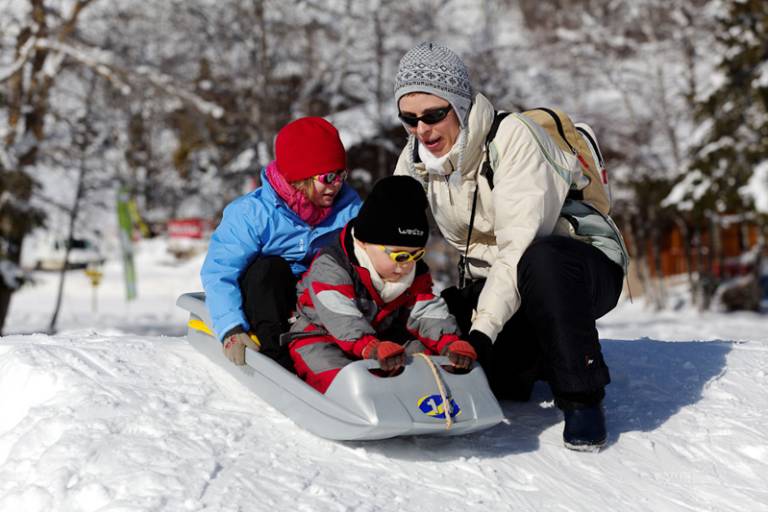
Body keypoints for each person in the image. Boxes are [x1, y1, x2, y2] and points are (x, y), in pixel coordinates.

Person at [392, 42, 629, 451]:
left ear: (460, 106)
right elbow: (385, 229)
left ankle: (582, 395)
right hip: (502, 284)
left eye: (434, 115)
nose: (423, 130)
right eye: (409, 119)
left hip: (575, 266)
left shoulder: (513, 137)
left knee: (543, 261)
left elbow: (518, 246)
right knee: (463, 348)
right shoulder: (417, 158)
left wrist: (482, 332)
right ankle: (537, 357)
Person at [287, 176, 477, 394]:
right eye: (399, 255)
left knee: (424, 362)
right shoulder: (332, 267)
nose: (407, 265)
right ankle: (363, 400)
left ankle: (440, 396)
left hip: (380, 338)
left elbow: (425, 311)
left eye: (416, 255)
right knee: (340, 377)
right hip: (320, 336)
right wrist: (371, 347)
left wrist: (449, 343)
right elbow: (341, 317)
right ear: (364, 243)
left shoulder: (413, 270)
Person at [200, 117, 361, 370]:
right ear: (300, 176)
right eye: (328, 177)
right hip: (264, 301)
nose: (337, 185)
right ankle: (277, 359)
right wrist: (231, 327)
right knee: (269, 269)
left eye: (341, 175)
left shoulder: (349, 210)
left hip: (315, 300)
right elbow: (220, 272)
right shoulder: (252, 213)